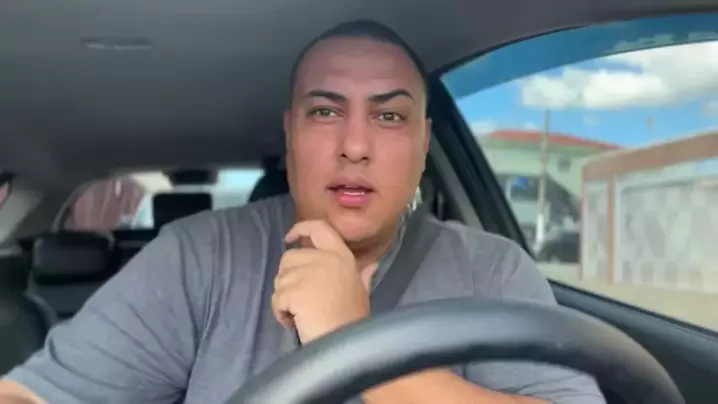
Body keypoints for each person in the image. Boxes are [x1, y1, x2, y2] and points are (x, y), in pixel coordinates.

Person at [0, 20, 605, 404]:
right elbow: (35, 395)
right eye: (325, 111)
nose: (356, 144)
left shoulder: (492, 270)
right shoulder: (197, 257)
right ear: (290, 134)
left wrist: (352, 341)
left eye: (389, 116)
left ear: (423, 145)